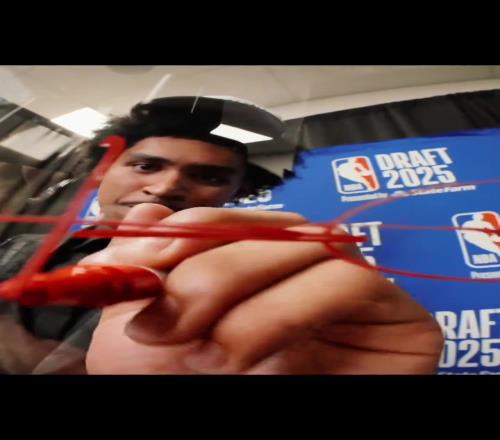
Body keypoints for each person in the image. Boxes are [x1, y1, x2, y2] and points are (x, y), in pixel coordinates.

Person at [0, 96, 444, 374]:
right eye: (146, 165)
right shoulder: (17, 248)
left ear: (239, 191)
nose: (167, 187)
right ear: (101, 171)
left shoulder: (266, 285)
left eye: (208, 176)